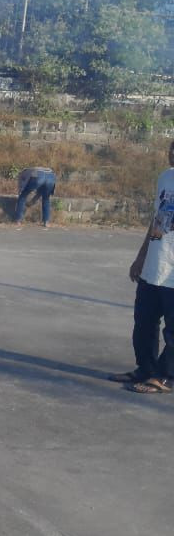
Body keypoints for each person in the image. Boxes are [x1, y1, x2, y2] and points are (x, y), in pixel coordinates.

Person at [108, 140, 174, 394]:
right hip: (156, 264)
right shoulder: (166, 177)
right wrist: (142, 256)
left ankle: (166, 377)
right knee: (144, 322)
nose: (171, 153)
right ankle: (145, 369)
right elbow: (157, 219)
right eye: (171, 148)